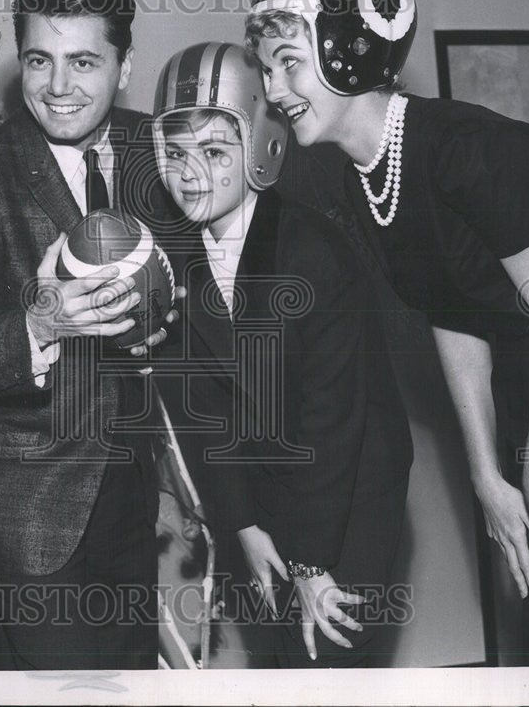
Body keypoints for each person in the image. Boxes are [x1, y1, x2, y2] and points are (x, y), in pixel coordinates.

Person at [246, 0, 529, 666]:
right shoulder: (360, 185)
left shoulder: (467, 148)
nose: (273, 89)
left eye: (289, 62)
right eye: (267, 67)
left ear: (347, 53)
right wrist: (487, 474)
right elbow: (455, 315)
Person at [0, 0, 184, 670]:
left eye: (84, 62)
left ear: (125, 66)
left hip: (131, 490)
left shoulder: (157, 153)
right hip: (24, 509)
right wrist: (42, 325)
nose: (59, 86)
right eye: (39, 60)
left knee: (132, 683)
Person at [151, 42, 414, 666]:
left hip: (345, 501)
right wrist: (243, 523)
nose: (192, 173)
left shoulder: (312, 250)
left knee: (328, 659)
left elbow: (333, 420)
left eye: (215, 151)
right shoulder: (180, 261)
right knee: (276, 666)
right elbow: (207, 413)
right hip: (262, 501)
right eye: (176, 153)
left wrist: (312, 564)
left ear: (264, 147)